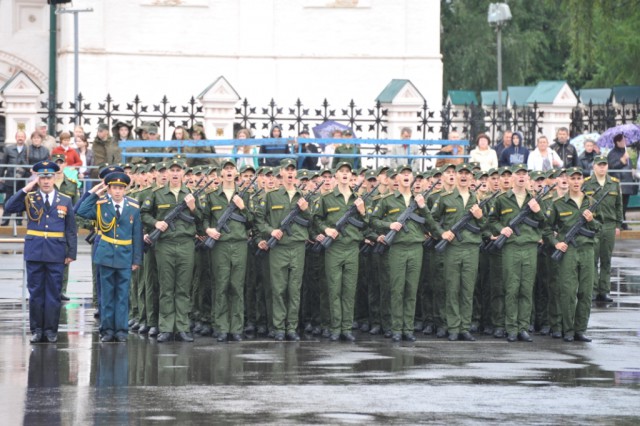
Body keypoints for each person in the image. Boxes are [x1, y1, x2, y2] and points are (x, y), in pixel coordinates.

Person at [3, 160, 77, 343]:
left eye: (49, 177)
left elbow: (70, 229)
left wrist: (71, 253)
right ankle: (36, 330)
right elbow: (9, 207)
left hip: (56, 252)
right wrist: (26, 188)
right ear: (37, 178)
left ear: (54, 177)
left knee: (53, 293)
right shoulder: (30, 198)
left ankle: (51, 331)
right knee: (36, 293)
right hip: (35, 251)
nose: (45, 181)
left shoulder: (65, 200)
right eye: (42, 177)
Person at [77, 172, 143, 343]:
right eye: (114, 188)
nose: (117, 191)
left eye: (121, 188)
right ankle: (106, 330)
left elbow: (137, 234)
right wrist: (95, 193)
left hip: (125, 254)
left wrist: (136, 259)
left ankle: (121, 331)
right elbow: (81, 211)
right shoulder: (101, 204)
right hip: (106, 254)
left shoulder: (134, 207)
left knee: (122, 295)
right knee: (106, 295)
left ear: (125, 189)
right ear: (109, 189)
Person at [141, 158, 202, 343]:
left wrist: (192, 208)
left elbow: (201, 220)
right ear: (166, 173)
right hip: (165, 245)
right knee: (166, 287)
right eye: (172, 170)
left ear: (183, 173)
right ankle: (166, 327)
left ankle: (182, 327)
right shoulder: (157, 193)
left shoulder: (191, 194)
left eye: (178, 170)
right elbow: (144, 213)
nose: (175, 173)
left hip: (186, 244)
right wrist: (155, 223)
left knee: (183, 287)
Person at [254, 158, 310, 341]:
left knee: (295, 289)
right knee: (278, 289)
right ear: (282, 174)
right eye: (288, 170)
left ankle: (291, 327)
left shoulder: (303, 197)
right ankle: (278, 327)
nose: (291, 173)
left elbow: (311, 222)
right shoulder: (271, 196)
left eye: (293, 170)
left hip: (298, 246)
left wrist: (306, 210)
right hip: (278, 248)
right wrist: (272, 231)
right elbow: (259, 221)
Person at [489, 164, 545, 342]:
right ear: (512, 177)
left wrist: (538, 212)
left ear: (528, 178)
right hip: (511, 247)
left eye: (524, 174)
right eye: (518, 174)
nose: (521, 177)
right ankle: (511, 327)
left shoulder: (535, 199)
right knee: (512, 288)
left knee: (526, 289)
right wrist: (501, 229)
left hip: (529, 247)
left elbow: (545, 223)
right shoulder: (502, 199)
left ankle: (523, 327)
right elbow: (492, 219)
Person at [544, 167, 600, 342]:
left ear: (583, 180)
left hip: (587, 251)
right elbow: (546, 229)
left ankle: (580, 330)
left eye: (579, 178)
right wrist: (556, 243)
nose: (576, 182)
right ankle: (567, 330)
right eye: (572, 178)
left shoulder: (591, 202)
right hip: (568, 252)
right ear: (566, 180)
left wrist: (591, 220)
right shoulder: (558, 203)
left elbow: (599, 227)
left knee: (585, 292)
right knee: (568, 292)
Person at [430, 164, 486, 342]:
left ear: (472, 178)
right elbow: (432, 219)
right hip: (452, 248)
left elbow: (485, 226)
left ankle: (465, 327)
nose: (463, 176)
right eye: (460, 173)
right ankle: (453, 327)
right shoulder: (445, 198)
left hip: (471, 248)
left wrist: (480, 217)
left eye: (466, 174)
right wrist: (441, 233)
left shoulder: (476, 200)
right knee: (452, 288)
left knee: (468, 289)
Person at [313, 161, 366, 342]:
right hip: (334, 249)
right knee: (334, 289)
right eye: (341, 171)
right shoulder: (327, 198)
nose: (345, 174)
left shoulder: (358, 198)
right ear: (335, 176)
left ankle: (346, 327)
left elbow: (367, 225)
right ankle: (335, 328)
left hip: (352, 248)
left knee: (349, 290)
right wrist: (326, 230)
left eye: (347, 171)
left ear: (351, 176)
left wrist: (363, 212)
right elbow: (316, 220)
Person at [203, 159, 253, 342]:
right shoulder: (211, 196)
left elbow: (252, 222)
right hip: (220, 246)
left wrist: (243, 208)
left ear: (236, 173)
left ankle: (236, 328)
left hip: (239, 244)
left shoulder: (245, 195)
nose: (229, 171)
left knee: (237, 287)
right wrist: (208, 230)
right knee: (221, 285)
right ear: (220, 174)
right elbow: (204, 219)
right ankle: (221, 327)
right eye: (226, 169)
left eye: (232, 169)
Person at [583, 155, 623, 302]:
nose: (602, 167)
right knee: (592, 259)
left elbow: (619, 205)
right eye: (599, 165)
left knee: (606, 259)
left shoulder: (614, 183)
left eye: (604, 165)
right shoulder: (586, 184)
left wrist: (619, 224)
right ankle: (593, 290)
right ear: (594, 166)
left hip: (609, 225)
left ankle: (605, 290)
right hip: (592, 224)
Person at [607, 133, 637, 230]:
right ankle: (620, 224)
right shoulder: (612, 153)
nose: (625, 142)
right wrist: (622, 160)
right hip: (619, 183)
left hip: (627, 182)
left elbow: (628, 165)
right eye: (623, 141)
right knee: (619, 205)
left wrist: (632, 169)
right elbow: (612, 167)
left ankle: (623, 223)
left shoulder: (625, 152)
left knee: (624, 205)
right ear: (617, 142)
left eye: (625, 140)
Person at [1, 130, 29, 225]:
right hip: (10, 177)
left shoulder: (28, 149)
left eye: (22, 136)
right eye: (18, 136)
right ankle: (5, 219)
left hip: (22, 178)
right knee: (8, 198)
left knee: (20, 198)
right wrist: (1, 176)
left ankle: (19, 219)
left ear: (25, 138)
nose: (20, 138)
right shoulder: (9, 149)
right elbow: (3, 163)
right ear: (15, 137)